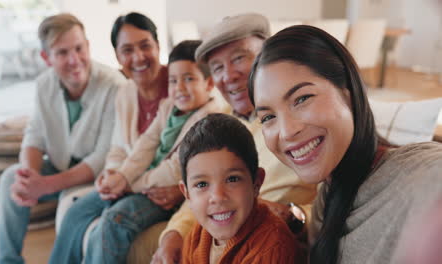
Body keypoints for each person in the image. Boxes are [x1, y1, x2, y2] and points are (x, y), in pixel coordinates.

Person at [248, 25, 442, 264]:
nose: (287, 132)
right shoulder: (326, 198)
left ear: (348, 93)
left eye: (302, 99)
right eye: (268, 117)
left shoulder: (423, 175)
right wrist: (292, 220)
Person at [151, 13, 317, 264]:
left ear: (268, 57)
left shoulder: (301, 123)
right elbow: (201, 187)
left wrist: (295, 215)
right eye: (217, 67)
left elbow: (342, 197)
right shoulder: (220, 123)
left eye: (239, 58)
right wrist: (173, 233)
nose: (228, 76)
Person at [50, 40, 224, 263]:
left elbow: (174, 170)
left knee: (115, 220)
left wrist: (129, 185)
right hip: (141, 183)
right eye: (173, 80)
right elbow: (146, 144)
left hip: (161, 193)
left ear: (209, 83)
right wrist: (122, 176)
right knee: (77, 211)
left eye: (189, 79)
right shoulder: (168, 107)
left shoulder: (209, 120)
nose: (179, 88)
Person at [0, 13, 120, 264]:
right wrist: (29, 179)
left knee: (67, 199)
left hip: (97, 177)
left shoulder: (114, 86)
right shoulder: (44, 84)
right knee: (11, 178)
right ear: (46, 58)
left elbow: (101, 158)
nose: (74, 60)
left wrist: (46, 185)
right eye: (62, 53)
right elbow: (34, 136)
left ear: (88, 45)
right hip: (60, 166)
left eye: (79, 48)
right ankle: (7, 260)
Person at [179, 113, 299, 264]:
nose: (217, 196)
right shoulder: (195, 238)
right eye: (202, 184)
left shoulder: (273, 247)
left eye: (232, 179)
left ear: (256, 183)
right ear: (187, 193)